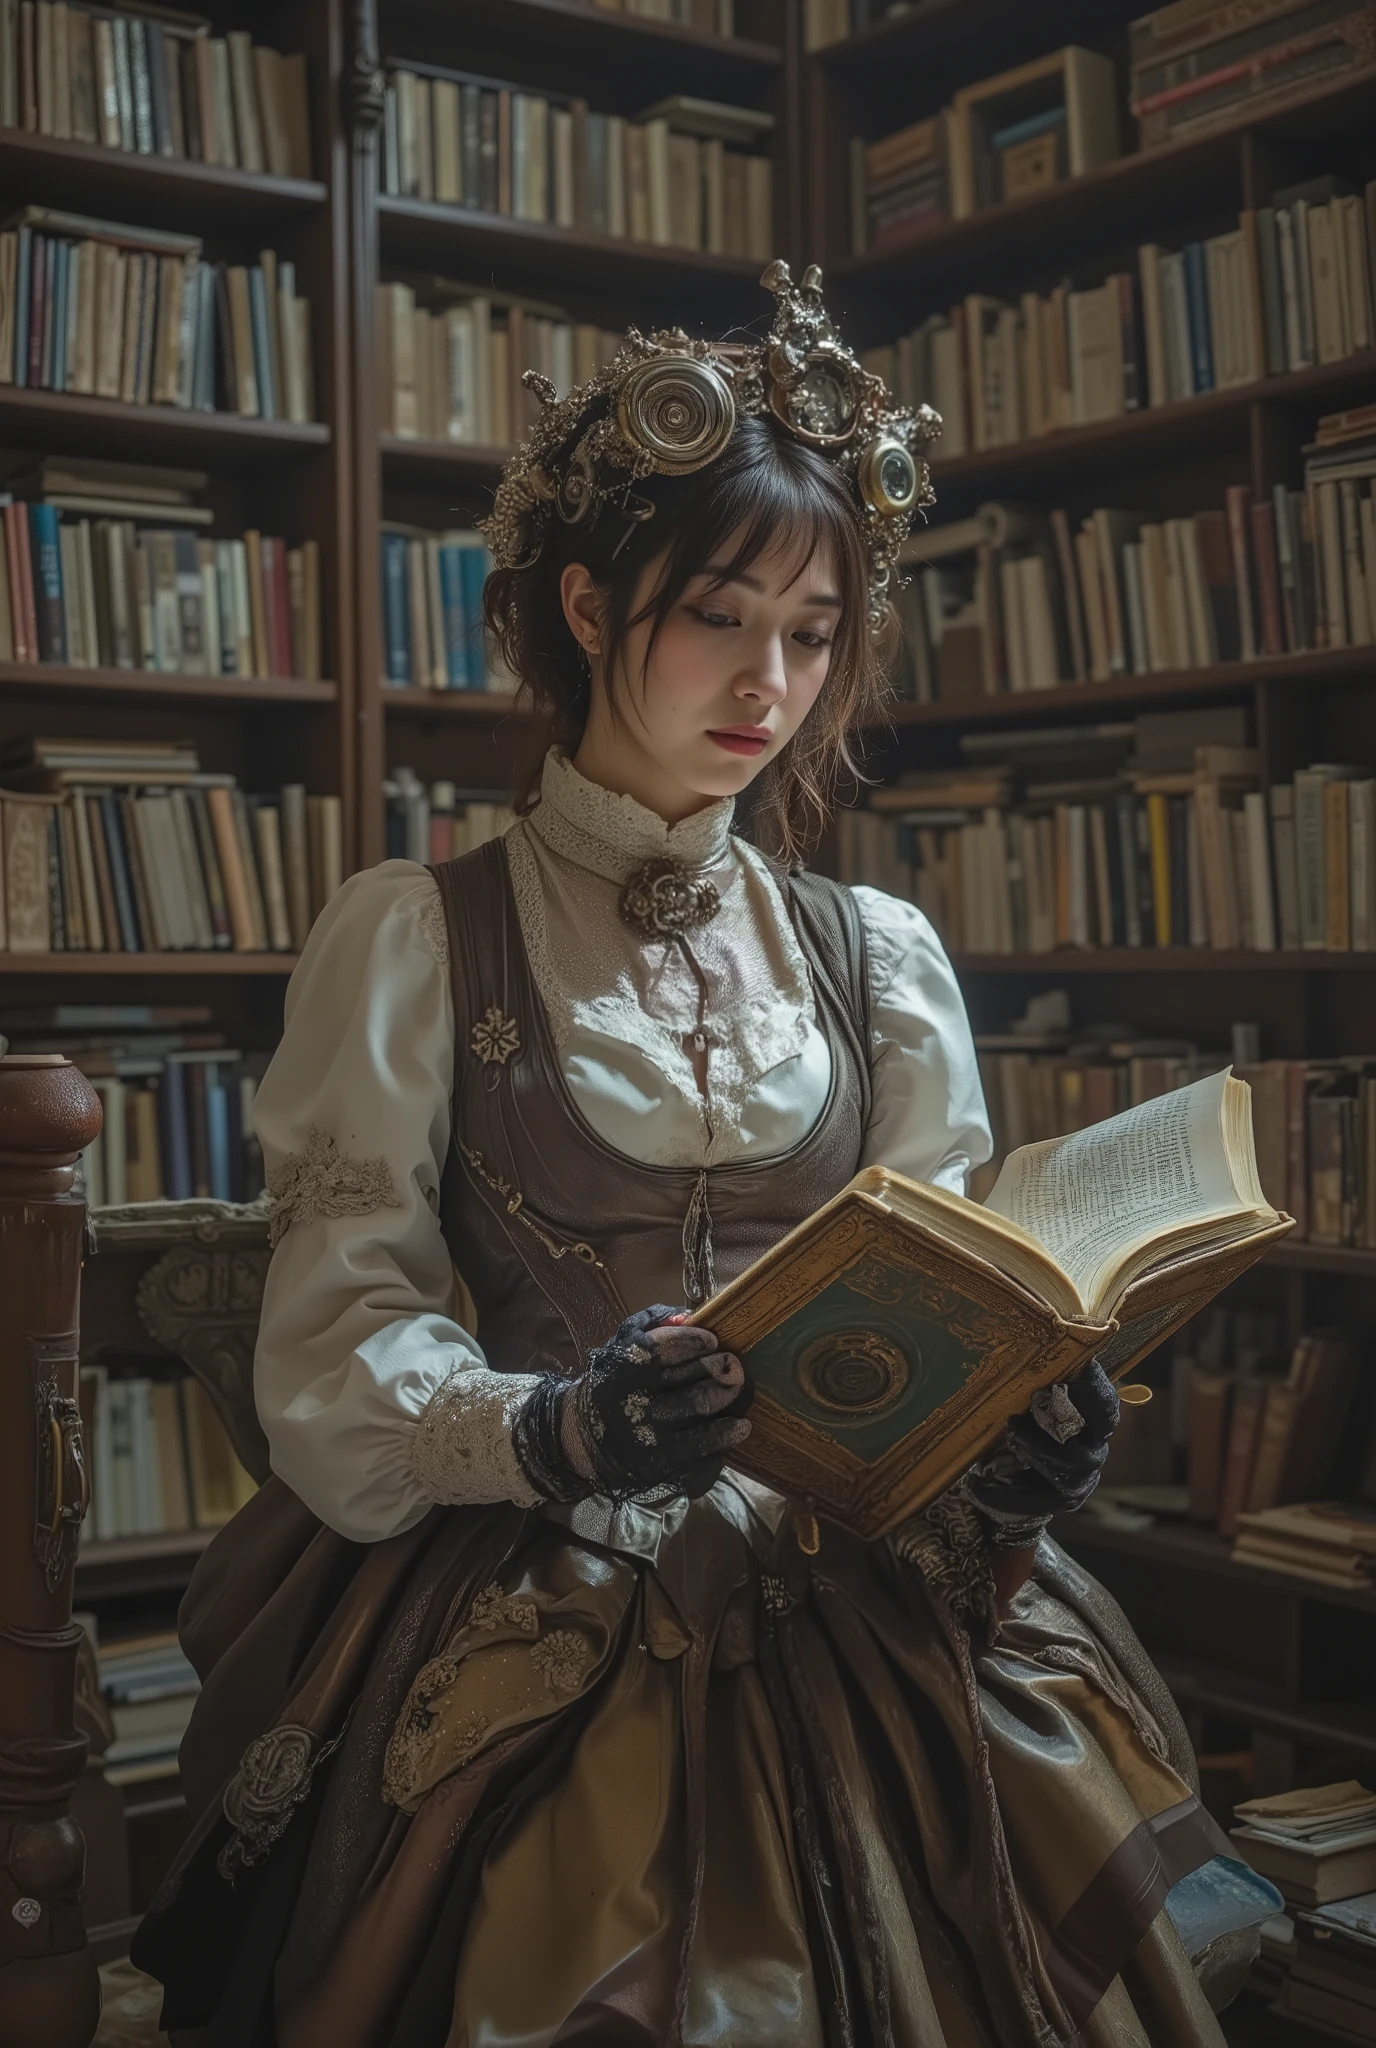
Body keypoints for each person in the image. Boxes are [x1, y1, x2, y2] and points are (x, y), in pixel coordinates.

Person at [134, 264, 1243, 2048]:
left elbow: (953, 1271)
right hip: (539, 1557)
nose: (773, 682)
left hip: (864, 1564)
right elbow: (336, 1341)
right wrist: (555, 1426)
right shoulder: (416, 933)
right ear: (586, 604)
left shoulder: (876, 952)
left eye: (813, 634)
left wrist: (1011, 1429)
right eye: (724, 617)